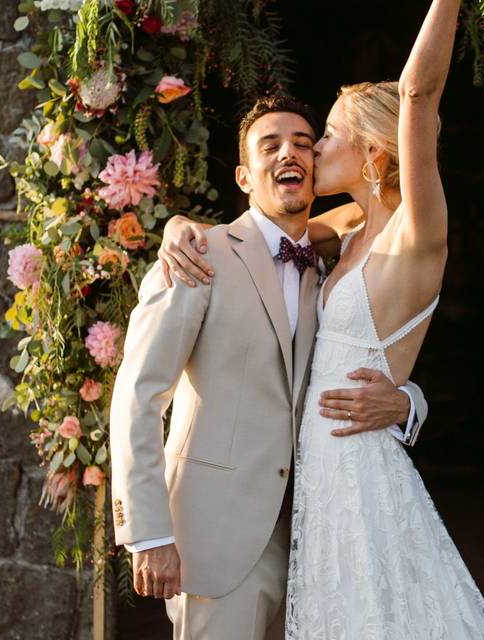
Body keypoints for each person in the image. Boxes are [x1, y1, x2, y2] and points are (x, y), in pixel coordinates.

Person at [159, 0, 484, 636]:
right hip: (313, 479)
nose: (311, 151)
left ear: (376, 148)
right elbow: (252, 238)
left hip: (358, 469)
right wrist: (181, 228)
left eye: (325, 137)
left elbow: (418, 97)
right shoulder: (344, 232)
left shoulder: (416, 231)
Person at [108, 92, 431, 640]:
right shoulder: (196, 256)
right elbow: (138, 396)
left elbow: (381, 213)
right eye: (271, 145)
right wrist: (147, 534)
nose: (290, 154)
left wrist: (406, 402)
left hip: (319, 538)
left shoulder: (336, 257)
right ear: (242, 175)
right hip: (216, 541)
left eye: (305, 144)